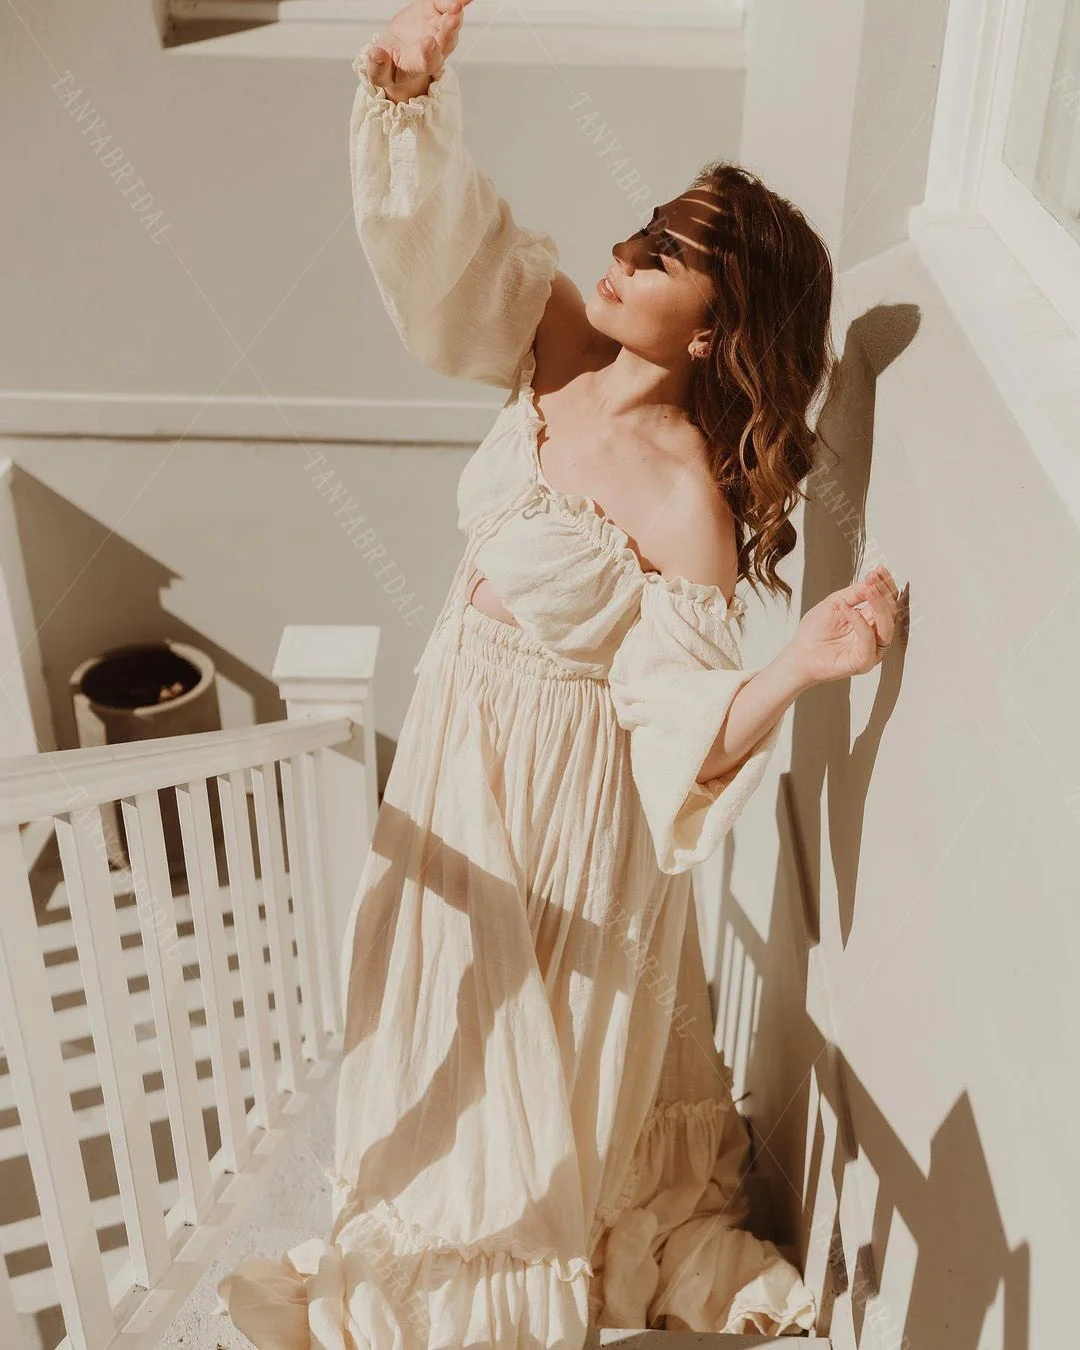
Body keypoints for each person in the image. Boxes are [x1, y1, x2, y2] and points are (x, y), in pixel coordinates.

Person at [216, 1, 901, 1345]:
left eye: (665, 256)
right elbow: (448, 255)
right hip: (458, 750)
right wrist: (409, 96)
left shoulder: (687, 500)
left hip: (562, 814)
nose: (624, 254)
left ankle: (474, 1301)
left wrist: (797, 668)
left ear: (711, 331)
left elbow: (672, 711)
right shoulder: (553, 339)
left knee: (513, 1083)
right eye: (644, 230)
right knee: (424, 1024)